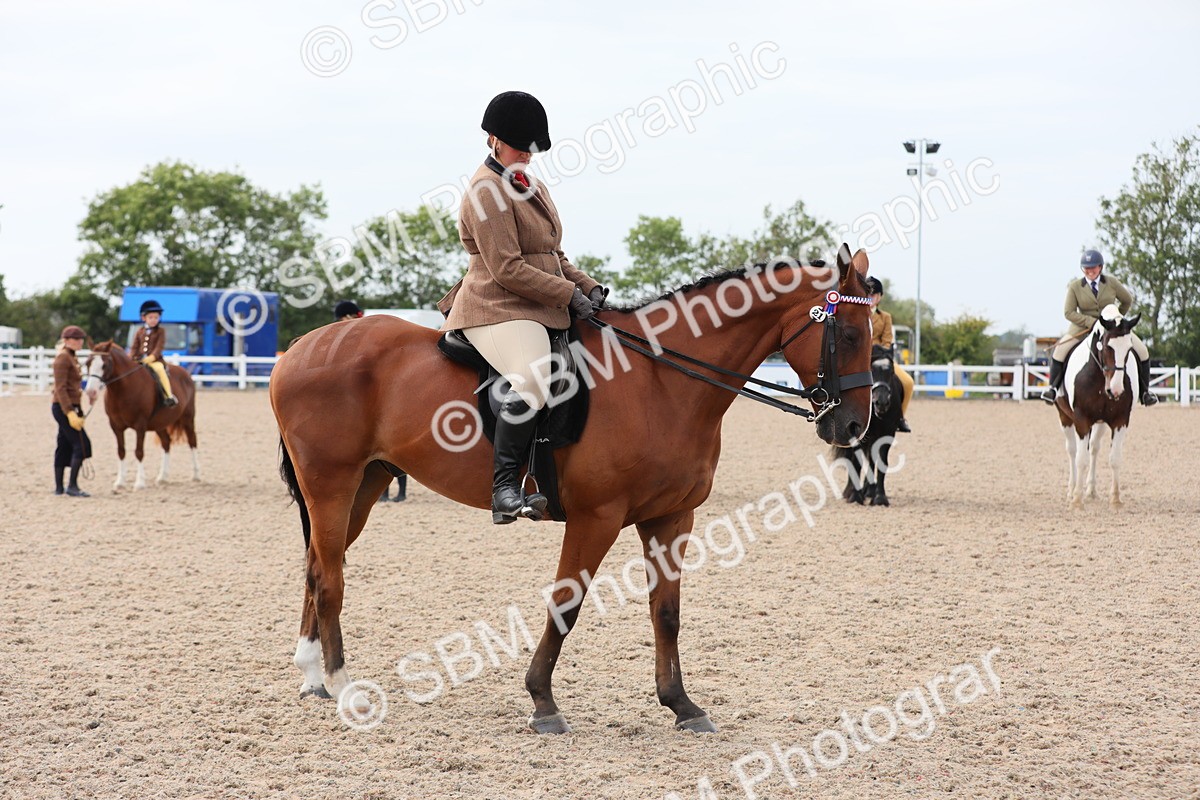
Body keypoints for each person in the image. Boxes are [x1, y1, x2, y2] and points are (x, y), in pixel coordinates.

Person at [437, 90, 606, 524]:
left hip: (537, 304)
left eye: (533, 149)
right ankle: (505, 488)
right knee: (536, 375)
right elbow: (508, 269)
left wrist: (588, 285)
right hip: (495, 306)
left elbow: (553, 255)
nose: (527, 156)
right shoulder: (485, 191)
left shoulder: (528, 183)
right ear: (492, 139)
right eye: (519, 147)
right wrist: (569, 295)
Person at [1041, 249, 1157, 406]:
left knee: (1142, 351)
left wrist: (1116, 322)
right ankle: (1053, 389)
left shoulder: (1111, 283)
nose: (1090, 271)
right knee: (1059, 352)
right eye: (1086, 268)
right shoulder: (1075, 287)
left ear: (1100, 267)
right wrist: (1091, 322)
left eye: (1093, 267)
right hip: (1082, 328)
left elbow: (1127, 300)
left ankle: (1145, 392)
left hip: (1112, 330)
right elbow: (1068, 312)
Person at [333, 299, 408, 502]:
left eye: (342, 318)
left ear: (348, 316)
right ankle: (383, 491)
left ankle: (400, 491)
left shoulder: (365, 332)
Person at [865, 277, 913, 432]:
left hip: (880, 358)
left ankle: (900, 418)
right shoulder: (856, 313)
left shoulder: (885, 317)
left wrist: (878, 354)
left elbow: (887, 341)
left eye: (874, 295)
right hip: (859, 359)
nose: (871, 298)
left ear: (880, 297)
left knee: (908, 382)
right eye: (868, 294)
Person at [52, 325, 93, 497]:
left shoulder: (71, 357)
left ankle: (59, 488)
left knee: (64, 444)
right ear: (66, 341)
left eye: (80, 338)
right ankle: (72, 486)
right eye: (76, 339)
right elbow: (60, 389)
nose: (79, 341)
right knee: (82, 445)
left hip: (71, 406)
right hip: (64, 407)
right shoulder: (63, 358)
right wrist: (69, 411)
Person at [130, 299, 178, 407]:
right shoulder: (139, 331)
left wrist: (151, 357)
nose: (153, 320)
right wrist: (131, 357)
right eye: (151, 317)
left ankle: (168, 396)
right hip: (139, 360)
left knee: (159, 369)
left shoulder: (161, 331)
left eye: (156, 317)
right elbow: (134, 347)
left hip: (155, 361)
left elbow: (159, 347)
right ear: (144, 318)